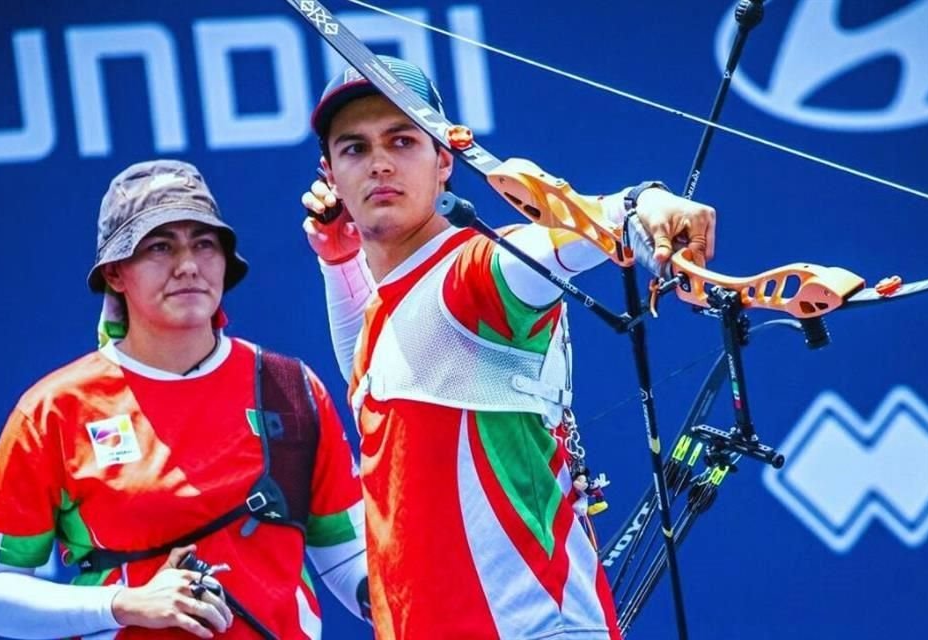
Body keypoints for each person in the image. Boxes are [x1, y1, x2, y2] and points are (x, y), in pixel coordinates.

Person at [299, 56, 716, 640]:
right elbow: (367, 381)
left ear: (445, 159)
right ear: (330, 175)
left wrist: (639, 205)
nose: (381, 164)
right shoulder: (387, 312)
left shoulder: (475, 274)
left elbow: (562, 241)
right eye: (355, 149)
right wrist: (338, 262)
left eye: (402, 140)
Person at [0, 160, 369, 639]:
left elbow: (349, 557)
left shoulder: (289, 389)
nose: (188, 265)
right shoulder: (55, 411)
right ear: (116, 273)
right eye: (159, 247)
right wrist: (121, 604)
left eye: (204, 244)